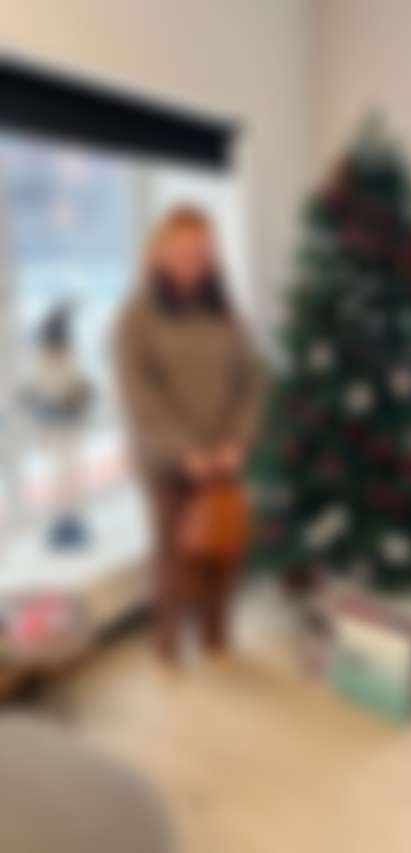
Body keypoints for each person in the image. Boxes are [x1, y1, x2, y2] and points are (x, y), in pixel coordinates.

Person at [116, 206, 264, 662]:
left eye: (201, 251)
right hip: (167, 460)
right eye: (181, 250)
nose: (191, 261)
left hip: (223, 457)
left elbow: (253, 378)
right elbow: (140, 396)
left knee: (224, 549)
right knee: (172, 558)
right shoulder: (136, 318)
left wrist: (237, 440)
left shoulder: (224, 311)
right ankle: (167, 645)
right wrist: (186, 452)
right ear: (158, 253)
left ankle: (216, 637)